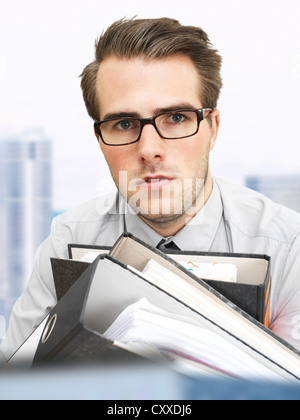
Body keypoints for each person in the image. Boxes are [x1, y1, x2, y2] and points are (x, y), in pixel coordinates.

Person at [1, 17, 300, 363]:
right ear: (100, 140)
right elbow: (15, 382)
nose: (149, 149)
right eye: (124, 124)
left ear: (212, 129)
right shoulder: (64, 241)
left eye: (175, 118)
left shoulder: (288, 248)